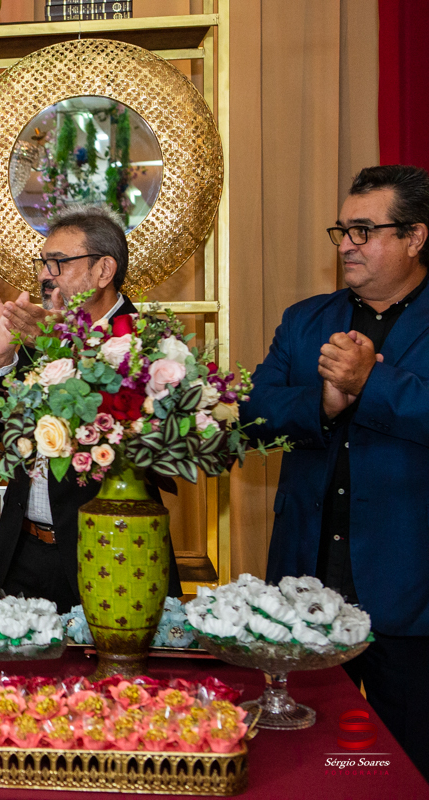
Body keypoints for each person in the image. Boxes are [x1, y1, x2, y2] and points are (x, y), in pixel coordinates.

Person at [240, 165, 429, 779]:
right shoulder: (306, 320)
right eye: (342, 230)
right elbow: (252, 412)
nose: (346, 243)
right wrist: (320, 403)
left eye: (364, 230)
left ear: (414, 237)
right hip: (307, 581)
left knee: (409, 764)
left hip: (411, 589)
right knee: (298, 762)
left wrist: (372, 381)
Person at [0, 205, 182, 611]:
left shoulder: (150, 342)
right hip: (24, 554)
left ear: (104, 270)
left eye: (58, 263)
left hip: (110, 552)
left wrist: (63, 343)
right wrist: (2, 357)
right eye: (42, 263)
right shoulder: (38, 331)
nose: (44, 275)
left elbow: (143, 443)